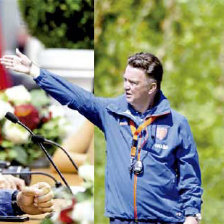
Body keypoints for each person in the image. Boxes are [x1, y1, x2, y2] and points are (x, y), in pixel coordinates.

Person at [0, 50, 203, 224]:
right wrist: (35, 72)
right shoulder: (109, 112)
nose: (126, 86)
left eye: (133, 82)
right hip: (120, 219)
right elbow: (75, 97)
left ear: (152, 88)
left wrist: (192, 215)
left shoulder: (177, 124)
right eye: (125, 79)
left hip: (165, 219)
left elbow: (190, 177)